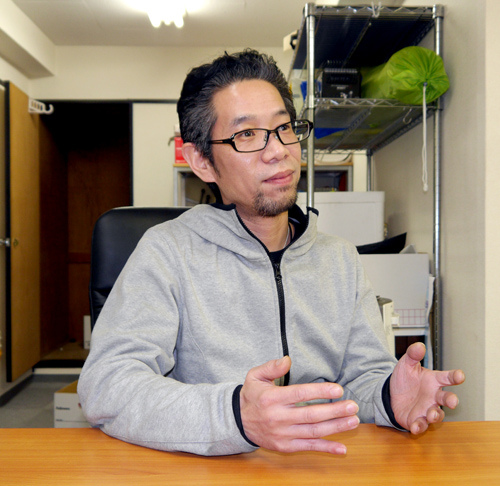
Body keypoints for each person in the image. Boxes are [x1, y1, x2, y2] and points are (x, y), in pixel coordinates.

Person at [78, 49, 464, 457]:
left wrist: (388, 397)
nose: (278, 150)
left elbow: (361, 379)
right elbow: (107, 384)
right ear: (202, 162)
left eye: (284, 128)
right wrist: (236, 417)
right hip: (212, 471)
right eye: (247, 134)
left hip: (318, 468)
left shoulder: (339, 259)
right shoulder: (167, 252)